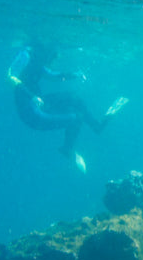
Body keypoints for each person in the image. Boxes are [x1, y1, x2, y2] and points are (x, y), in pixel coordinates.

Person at [7, 42, 126, 174]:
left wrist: (75, 74)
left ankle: (97, 126)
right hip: (31, 114)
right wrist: (31, 96)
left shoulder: (39, 58)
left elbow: (52, 75)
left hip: (39, 103)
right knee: (77, 118)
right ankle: (67, 150)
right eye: (54, 55)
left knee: (74, 98)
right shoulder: (26, 54)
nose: (55, 58)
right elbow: (11, 76)